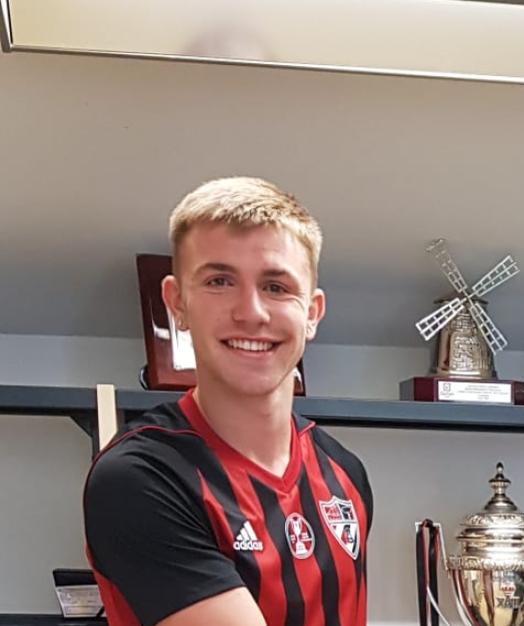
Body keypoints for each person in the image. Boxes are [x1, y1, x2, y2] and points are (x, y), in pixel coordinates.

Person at [83, 177, 371, 626]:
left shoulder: (344, 473)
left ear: (312, 313)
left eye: (276, 286)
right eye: (219, 281)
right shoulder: (139, 477)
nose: (251, 312)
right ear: (177, 303)